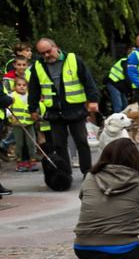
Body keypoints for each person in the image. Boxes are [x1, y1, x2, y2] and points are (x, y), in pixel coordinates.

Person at [29, 37, 100, 177]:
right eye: (42, 53)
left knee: (81, 141)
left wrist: (93, 100)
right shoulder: (38, 65)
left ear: (56, 47)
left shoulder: (73, 60)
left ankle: (87, 172)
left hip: (75, 109)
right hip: (54, 111)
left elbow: (88, 81)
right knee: (59, 145)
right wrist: (32, 108)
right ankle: (65, 173)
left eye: (48, 51)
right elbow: (34, 89)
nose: (46, 56)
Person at [7, 76, 40, 172]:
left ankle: (32, 161)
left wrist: (36, 114)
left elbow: (35, 107)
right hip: (17, 124)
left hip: (29, 124)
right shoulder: (12, 96)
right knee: (19, 144)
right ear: (15, 86)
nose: (22, 87)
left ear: (27, 86)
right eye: (19, 85)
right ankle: (20, 162)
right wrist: (10, 116)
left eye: (24, 85)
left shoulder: (30, 96)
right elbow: (7, 108)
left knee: (31, 143)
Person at [105, 48, 130, 114]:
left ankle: (124, 121)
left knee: (125, 106)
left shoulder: (131, 63)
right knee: (118, 106)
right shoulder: (125, 62)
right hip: (113, 83)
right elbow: (128, 76)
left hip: (119, 85)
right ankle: (117, 122)